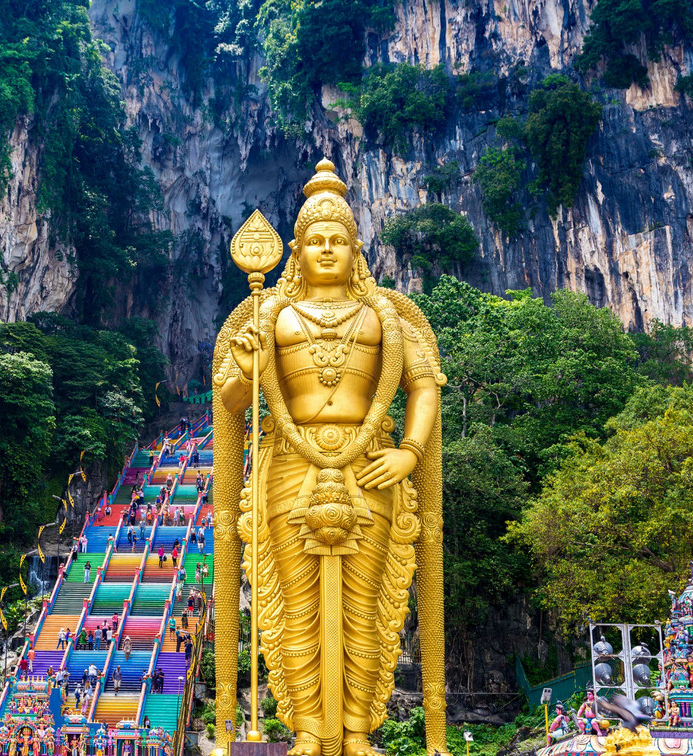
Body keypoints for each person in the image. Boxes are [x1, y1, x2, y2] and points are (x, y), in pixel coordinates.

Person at [212, 159, 448, 755]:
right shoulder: (269, 314)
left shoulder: (386, 315)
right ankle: (309, 732)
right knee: (295, 605)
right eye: (314, 240)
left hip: (371, 464)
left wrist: (409, 453)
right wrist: (247, 370)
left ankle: (358, 731)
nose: (325, 249)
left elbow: (424, 386)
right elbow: (232, 402)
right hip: (290, 466)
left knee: (365, 606)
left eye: (337, 240)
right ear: (295, 250)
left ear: (355, 249)